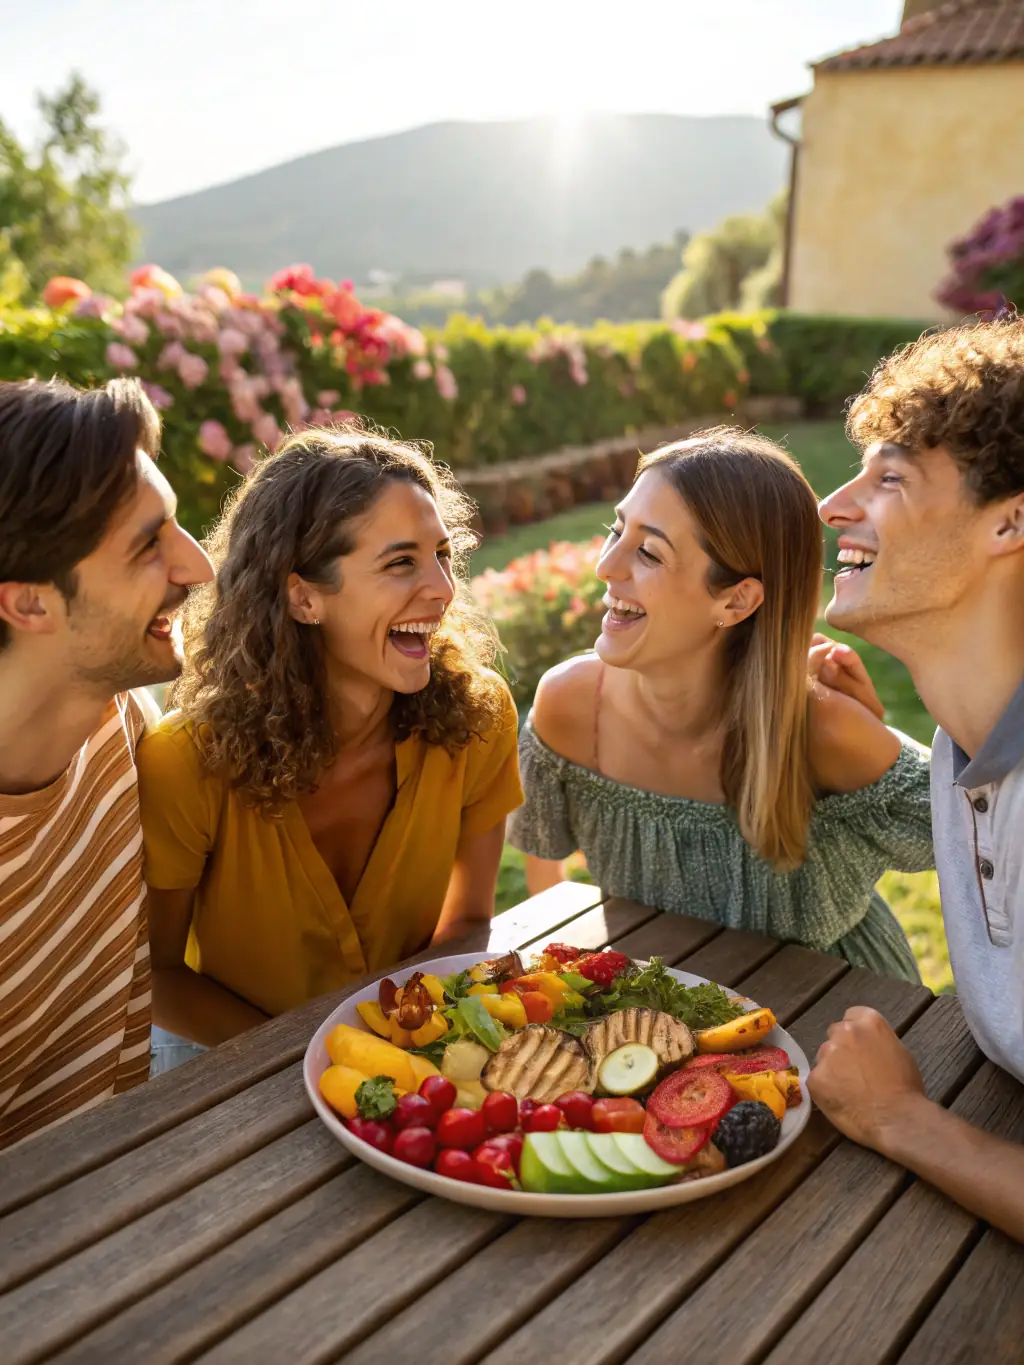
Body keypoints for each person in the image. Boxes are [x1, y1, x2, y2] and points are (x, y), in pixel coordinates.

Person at [136, 427, 522, 1048]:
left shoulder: (478, 717)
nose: (443, 589)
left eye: (442, 556)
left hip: (408, 1054)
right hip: (227, 1069)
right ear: (303, 597)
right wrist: (312, 1063)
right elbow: (159, 974)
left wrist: (398, 1049)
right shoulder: (186, 762)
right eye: (400, 563)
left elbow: (469, 921)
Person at [508, 427, 932, 981]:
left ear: (735, 601)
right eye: (617, 530)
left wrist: (870, 734)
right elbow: (543, 864)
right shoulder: (569, 703)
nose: (606, 567)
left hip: (830, 1005)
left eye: (648, 552)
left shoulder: (819, 728)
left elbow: (979, 832)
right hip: (663, 1010)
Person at [812, 316, 1024, 1243]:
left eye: (890, 477)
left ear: (1011, 520)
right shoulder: (959, 740)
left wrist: (901, 1118)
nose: (832, 504)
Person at [0, 377, 212, 1150]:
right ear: (28, 604)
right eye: (149, 542)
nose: (197, 567)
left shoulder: (121, 727)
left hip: (122, 1194)